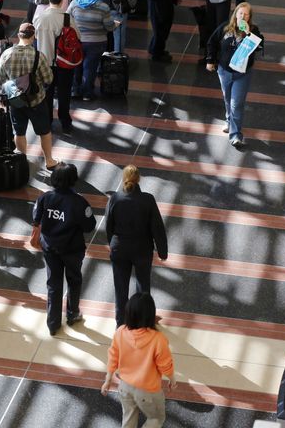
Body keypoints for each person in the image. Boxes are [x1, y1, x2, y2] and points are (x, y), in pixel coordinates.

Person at [31, 163, 96, 336]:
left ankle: (53, 323)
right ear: (73, 180)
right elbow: (89, 226)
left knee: (53, 283)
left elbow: (36, 218)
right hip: (72, 249)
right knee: (74, 280)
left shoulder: (44, 198)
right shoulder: (79, 202)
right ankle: (73, 313)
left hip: (50, 248)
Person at [100, 293, 177, 428]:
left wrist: (108, 380)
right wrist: (172, 379)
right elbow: (165, 365)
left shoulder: (120, 332)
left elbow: (113, 357)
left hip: (124, 387)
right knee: (157, 418)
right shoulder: (158, 339)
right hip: (148, 391)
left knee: (128, 417)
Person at [106, 165, 168, 328]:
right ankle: (143, 321)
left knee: (120, 288)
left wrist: (111, 244)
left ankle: (121, 323)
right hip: (142, 249)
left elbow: (109, 226)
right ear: (138, 179)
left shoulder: (114, 198)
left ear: (123, 178)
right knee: (142, 287)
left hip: (119, 248)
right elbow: (157, 227)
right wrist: (163, 251)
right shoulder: (147, 199)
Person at [0, 23, 57, 170]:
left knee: (19, 132)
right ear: (33, 36)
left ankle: (22, 159)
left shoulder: (6, 54)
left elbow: (0, 80)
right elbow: (49, 79)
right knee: (44, 131)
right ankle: (49, 160)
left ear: (19, 35)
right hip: (37, 101)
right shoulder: (38, 56)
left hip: (16, 102)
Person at [205, 2, 264, 149]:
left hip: (242, 74)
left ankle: (236, 135)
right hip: (224, 72)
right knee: (227, 98)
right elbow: (212, 42)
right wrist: (210, 60)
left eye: (246, 14)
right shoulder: (225, 28)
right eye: (240, 13)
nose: (242, 16)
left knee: (236, 103)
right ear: (235, 14)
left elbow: (261, 47)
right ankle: (229, 120)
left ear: (249, 17)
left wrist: (249, 33)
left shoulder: (254, 31)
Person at [34, 0, 79, 135]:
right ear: (62, 0)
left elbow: (34, 37)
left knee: (47, 94)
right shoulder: (67, 18)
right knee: (64, 93)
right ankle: (65, 123)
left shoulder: (39, 18)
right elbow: (77, 37)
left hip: (45, 63)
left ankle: (47, 122)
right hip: (64, 63)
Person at [67, 0, 116, 100]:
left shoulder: (74, 3)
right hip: (97, 43)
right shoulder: (103, 7)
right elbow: (109, 26)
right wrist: (115, 24)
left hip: (78, 41)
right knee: (90, 68)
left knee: (76, 65)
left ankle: (75, 90)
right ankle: (87, 93)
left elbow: (67, 19)